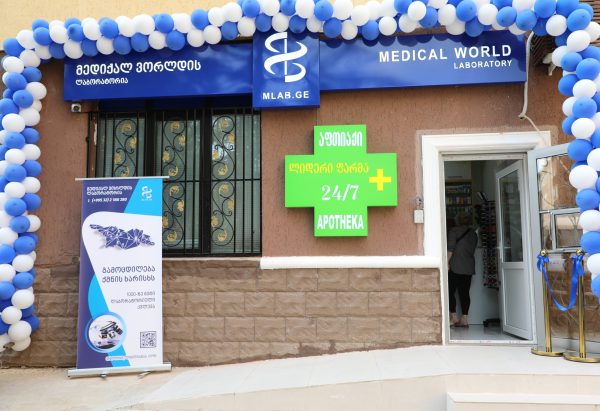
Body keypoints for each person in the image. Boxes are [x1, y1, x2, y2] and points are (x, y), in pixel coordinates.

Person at [447, 212, 478, 328]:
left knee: (450, 291)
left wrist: (446, 262)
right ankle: (464, 318)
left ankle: (454, 317)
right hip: (469, 266)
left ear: (457, 220)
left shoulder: (454, 231)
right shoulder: (473, 233)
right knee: (464, 293)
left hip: (455, 265)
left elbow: (450, 249)